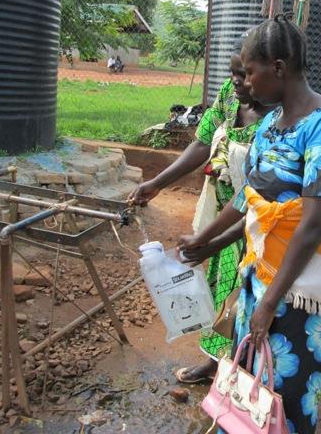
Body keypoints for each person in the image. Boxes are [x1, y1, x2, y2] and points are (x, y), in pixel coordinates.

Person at [181, 15, 321, 434]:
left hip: (300, 287)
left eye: (250, 72)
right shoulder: (271, 126)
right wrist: (206, 240)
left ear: (277, 68)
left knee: (285, 388)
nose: (246, 83)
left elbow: (312, 223)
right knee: (247, 378)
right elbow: (251, 199)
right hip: (261, 274)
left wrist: (272, 302)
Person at [129, 33, 269, 383]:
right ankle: (217, 361)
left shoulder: (277, 119)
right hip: (224, 215)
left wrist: (212, 238)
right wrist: (156, 183)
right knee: (221, 287)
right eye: (233, 72)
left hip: (257, 223)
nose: (236, 81)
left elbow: (260, 192)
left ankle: (245, 369)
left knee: (248, 296)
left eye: (244, 74)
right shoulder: (228, 96)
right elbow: (202, 143)